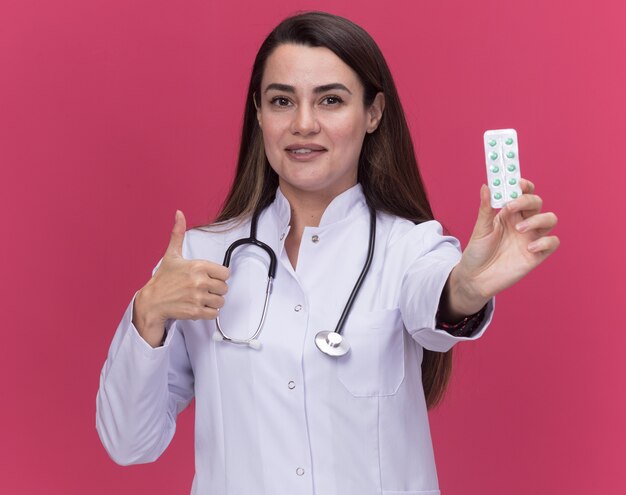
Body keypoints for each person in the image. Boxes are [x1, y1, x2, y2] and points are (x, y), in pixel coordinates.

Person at [96, 11, 559, 495]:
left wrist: (464, 289)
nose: (303, 124)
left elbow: (436, 293)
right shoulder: (200, 257)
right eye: (282, 101)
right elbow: (130, 443)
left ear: (374, 113)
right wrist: (147, 313)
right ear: (258, 112)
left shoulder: (410, 247)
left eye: (331, 101)